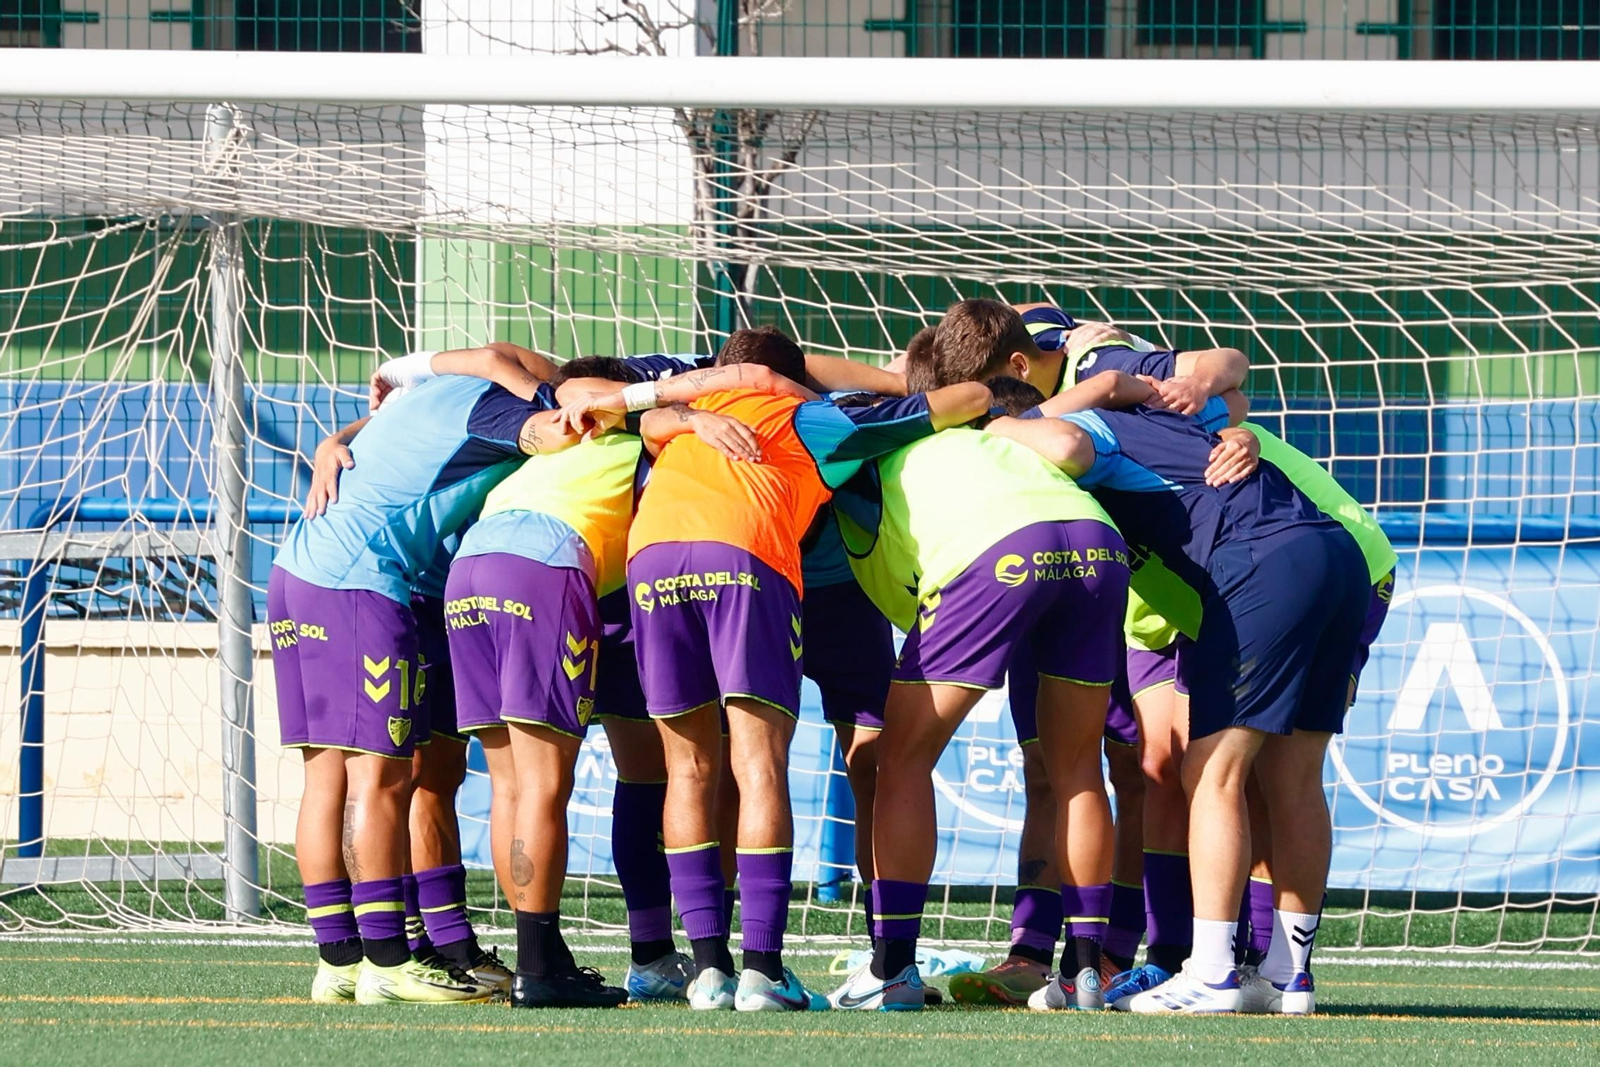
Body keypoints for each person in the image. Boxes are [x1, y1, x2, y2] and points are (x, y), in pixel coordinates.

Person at [566, 326, 992, 1012]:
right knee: (764, 764)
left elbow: (597, 400)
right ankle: (768, 971)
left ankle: (708, 971)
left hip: (654, 560)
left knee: (689, 768)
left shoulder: (669, 425)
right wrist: (844, 387)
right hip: (754, 561)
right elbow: (966, 397)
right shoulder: (810, 414)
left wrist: (686, 409)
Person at [979, 364, 1367, 1016]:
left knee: (1209, 771)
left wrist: (1002, 428)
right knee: (1294, 776)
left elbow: (1070, 444)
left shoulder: (1080, 425)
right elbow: (1231, 398)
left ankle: (1213, 970)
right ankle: (1288, 976)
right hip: (1336, 556)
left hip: (1260, 564)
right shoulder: (1168, 417)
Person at [443, 356, 761, 1008]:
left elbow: (506, 363)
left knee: (511, 783)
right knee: (544, 784)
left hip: (471, 566)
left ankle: (547, 951)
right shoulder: (633, 428)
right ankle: (542, 967)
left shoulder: (541, 444)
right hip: (551, 567)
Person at [821, 387, 1131, 1012]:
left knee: (899, 762)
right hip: (1099, 543)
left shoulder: (855, 445)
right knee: (1077, 769)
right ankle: (1083, 974)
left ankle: (892, 970)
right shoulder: (988, 438)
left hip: (998, 552)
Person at [271, 344, 561, 1005]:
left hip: (297, 573)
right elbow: (534, 420)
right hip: (362, 586)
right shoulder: (493, 403)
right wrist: (587, 409)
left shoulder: (412, 397)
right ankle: (390, 961)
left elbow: (466, 362)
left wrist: (335, 436)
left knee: (326, 775)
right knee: (384, 776)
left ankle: (341, 961)